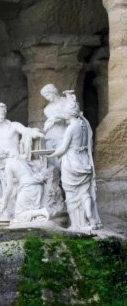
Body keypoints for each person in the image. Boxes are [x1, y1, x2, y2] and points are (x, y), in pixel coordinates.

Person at [52, 99, 102, 232]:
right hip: (84, 161)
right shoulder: (84, 125)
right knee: (85, 193)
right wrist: (71, 98)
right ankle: (91, 218)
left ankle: (78, 224)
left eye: (64, 111)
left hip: (72, 163)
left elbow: (63, 149)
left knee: (72, 196)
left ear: (69, 113)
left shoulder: (71, 128)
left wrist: (49, 155)